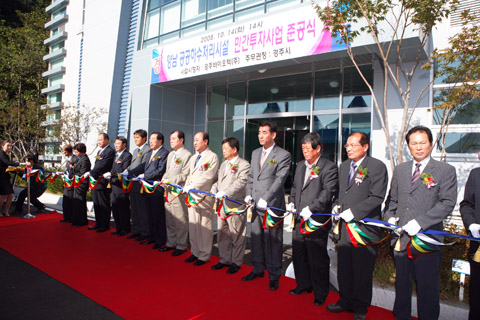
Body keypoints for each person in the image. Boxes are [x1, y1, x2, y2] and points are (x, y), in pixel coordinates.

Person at [384, 126, 457, 320]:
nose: (418, 147)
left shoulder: (445, 170)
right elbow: (393, 199)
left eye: (422, 142)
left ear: (431, 144)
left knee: (427, 288)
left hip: (428, 239)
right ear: (408, 146)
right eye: (414, 143)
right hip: (402, 239)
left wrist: (421, 222)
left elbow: (447, 202)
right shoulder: (400, 169)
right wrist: (389, 217)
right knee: (401, 287)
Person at [327, 132, 388, 320]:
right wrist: (337, 205)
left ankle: (360, 307)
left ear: (365, 146)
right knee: (345, 267)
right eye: (347, 146)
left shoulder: (377, 167)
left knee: (362, 270)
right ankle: (344, 300)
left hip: (364, 229)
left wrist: (355, 212)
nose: (349, 149)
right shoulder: (344, 166)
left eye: (353, 145)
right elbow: (341, 192)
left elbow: (377, 197)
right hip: (345, 227)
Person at [288, 132, 338, 306]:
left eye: (308, 149)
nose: (305, 152)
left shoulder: (329, 167)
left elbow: (328, 192)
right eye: (303, 149)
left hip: (316, 220)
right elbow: (295, 188)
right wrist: (292, 203)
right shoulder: (301, 165)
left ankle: (320, 293)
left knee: (317, 258)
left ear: (318, 149)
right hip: (299, 218)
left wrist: (312, 208)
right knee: (299, 254)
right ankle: (303, 284)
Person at [243, 120, 291, 291]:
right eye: (259, 132)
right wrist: (249, 194)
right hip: (255, 204)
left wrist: (267, 197)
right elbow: (251, 177)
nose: (261, 135)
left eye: (264, 132)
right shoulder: (256, 153)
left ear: (273, 134)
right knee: (256, 237)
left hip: (271, 206)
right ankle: (257, 268)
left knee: (273, 240)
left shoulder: (283, 155)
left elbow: (280, 179)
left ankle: (274, 274)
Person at [211, 137, 250, 274]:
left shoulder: (244, 165)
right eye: (222, 149)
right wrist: (214, 187)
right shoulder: (223, 164)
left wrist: (225, 192)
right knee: (222, 233)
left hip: (235, 205)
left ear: (234, 149)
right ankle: (224, 259)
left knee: (237, 235)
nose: (223, 152)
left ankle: (237, 262)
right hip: (222, 205)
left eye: (225, 149)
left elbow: (240, 183)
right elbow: (219, 181)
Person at [183, 132, 219, 266]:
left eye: (197, 140)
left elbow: (208, 176)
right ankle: (195, 251)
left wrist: (193, 186)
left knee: (204, 227)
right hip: (191, 196)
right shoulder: (193, 158)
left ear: (206, 142)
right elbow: (189, 175)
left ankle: (204, 255)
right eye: (194, 140)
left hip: (203, 197)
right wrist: (187, 185)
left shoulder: (212, 157)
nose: (195, 143)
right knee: (193, 226)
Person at [129, 132, 169, 249]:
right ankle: (151, 237)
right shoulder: (151, 153)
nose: (151, 141)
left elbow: (160, 170)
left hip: (156, 189)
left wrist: (145, 176)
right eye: (150, 139)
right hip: (147, 187)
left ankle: (160, 239)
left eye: (153, 139)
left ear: (160, 141)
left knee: (158, 215)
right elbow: (143, 166)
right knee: (149, 214)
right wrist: (131, 172)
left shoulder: (164, 153)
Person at [160, 130, 191, 256]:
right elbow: (167, 171)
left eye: (173, 138)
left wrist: (170, 181)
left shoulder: (187, 154)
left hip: (178, 192)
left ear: (181, 140)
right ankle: (171, 243)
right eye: (170, 138)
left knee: (180, 219)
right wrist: (163, 179)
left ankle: (181, 245)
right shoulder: (171, 154)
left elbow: (184, 174)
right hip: (168, 191)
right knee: (169, 219)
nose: (171, 141)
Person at [460, 165, 480, 320]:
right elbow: (467, 204)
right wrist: (471, 224)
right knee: (476, 295)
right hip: (478, 244)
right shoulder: (476, 174)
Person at [86, 133, 115, 232]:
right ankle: (98, 223)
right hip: (96, 181)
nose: (98, 142)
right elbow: (96, 165)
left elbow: (103, 165)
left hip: (103, 181)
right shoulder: (100, 151)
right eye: (98, 140)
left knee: (103, 203)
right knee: (97, 203)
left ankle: (104, 224)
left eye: (101, 140)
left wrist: (90, 172)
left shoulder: (110, 151)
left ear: (107, 140)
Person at [125, 129, 151, 242]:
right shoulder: (135, 150)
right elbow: (132, 165)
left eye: (138, 137)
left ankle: (144, 232)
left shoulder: (147, 150)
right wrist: (126, 171)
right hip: (133, 182)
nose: (135, 140)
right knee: (134, 208)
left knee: (142, 209)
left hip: (141, 183)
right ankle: (136, 230)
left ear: (144, 138)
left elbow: (143, 165)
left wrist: (131, 172)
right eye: (134, 137)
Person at [104, 137, 132, 236]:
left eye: (118, 143)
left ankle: (125, 228)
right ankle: (118, 227)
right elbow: (113, 168)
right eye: (115, 143)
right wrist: (109, 174)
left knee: (123, 207)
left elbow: (124, 169)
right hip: (113, 184)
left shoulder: (127, 155)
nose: (116, 145)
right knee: (115, 206)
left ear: (124, 145)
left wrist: (112, 174)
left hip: (121, 185)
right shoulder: (116, 155)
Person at [71, 143, 91, 226]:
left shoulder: (85, 160)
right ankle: (76, 219)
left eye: (77, 152)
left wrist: (75, 175)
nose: (76, 154)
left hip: (82, 183)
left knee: (81, 202)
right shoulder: (79, 159)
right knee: (77, 202)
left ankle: (82, 220)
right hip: (77, 182)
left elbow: (83, 172)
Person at [60, 144, 78, 223]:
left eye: (64, 151)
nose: (63, 152)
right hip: (67, 182)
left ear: (67, 151)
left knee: (70, 201)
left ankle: (70, 217)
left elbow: (74, 171)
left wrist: (69, 175)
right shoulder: (68, 159)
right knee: (66, 200)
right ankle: (66, 217)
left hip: (71, 183)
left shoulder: (74, 159)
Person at [0, 141, 19, 216]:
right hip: (1, 176)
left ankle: (6, 211)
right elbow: (7, 162)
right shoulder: (1, 153)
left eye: (10, 146)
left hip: (6, 176)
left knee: (10, 195)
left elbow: (8, 165)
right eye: (8, 146)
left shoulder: (6, 155)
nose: (9, 147)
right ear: (2, 146)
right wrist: (19, 164)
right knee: (4, 195)